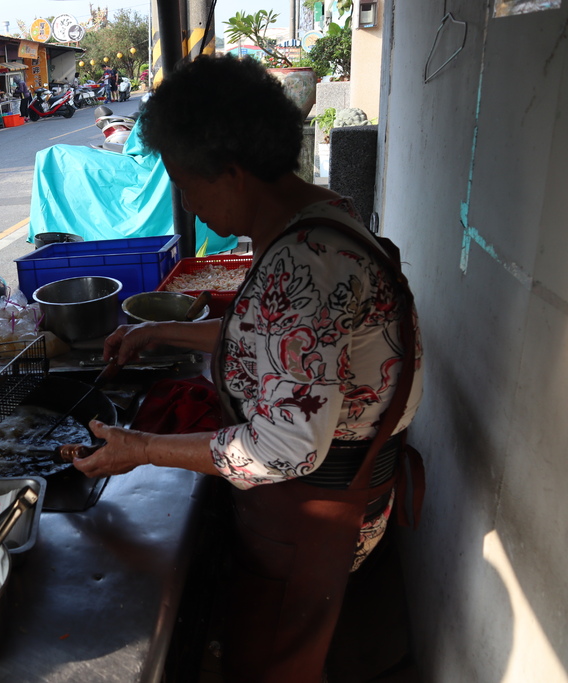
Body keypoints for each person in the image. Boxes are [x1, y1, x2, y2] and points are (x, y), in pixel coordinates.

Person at [66, 55, 425, 683]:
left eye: (184, 181)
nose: (184, 199)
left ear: (231, 174)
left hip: (310, 523)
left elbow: (281, 449)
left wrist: (141, 448)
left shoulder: (302, 267)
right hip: (335, 503)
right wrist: (160, 330)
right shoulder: (323, 222)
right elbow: (279, 343)